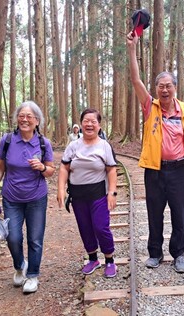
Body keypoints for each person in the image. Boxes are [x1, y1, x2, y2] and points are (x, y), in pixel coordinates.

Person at [126, 31, 184, 273]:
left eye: (168, 85)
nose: (164, 90)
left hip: (177, 170)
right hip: (154, 170)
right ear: (155, 88)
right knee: (154, 213)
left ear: (175, 88)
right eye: (160, 86)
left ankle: (179, 254)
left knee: (178, 213)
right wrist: (133, 49)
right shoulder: (150, 107)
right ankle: (155, 253)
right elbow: (135, 80)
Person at [0, 100, 55, 294]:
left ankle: (32, 275)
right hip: (12, 198)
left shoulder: (43, 143)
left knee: (35, 239)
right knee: (13, 237)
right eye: (21, 116)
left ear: (37, 121)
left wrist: (42, 167)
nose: (24, 120)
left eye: (29, 116)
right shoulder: (7, 140)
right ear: (17, 119)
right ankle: (19, 266)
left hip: (37, 198)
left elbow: (51, 171)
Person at [57, 108, 119, 278]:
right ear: (81, 124)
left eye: (94, 121)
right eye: (86, 121)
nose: (89, 124)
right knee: (85, 228)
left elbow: (111, 170)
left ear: (99, 125)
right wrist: (61, 189)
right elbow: (64, 167)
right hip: (78, 196)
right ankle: (93, 258)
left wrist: (112, 193)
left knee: (101, 227)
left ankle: (109, 260)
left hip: (98, 194)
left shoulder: (104, 146)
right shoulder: (73, 146)